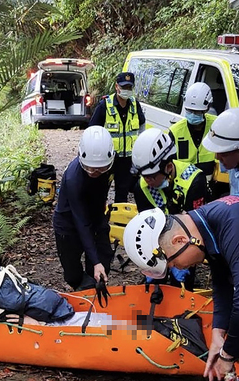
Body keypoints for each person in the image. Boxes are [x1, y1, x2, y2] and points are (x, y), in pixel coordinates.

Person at [123, 188, 239, 381]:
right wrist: (218, 332)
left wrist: (227, 356)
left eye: (173, 263)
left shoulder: (234, 227)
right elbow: (222, 277)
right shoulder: (205, 223)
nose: (178, 267)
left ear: (179, 240)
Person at [130, 128, 208, 289]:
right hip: (158, 241)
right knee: (154, 286)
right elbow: (147, 227)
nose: (147, 181)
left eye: (152, 176)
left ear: (169, 167)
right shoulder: (142, 187)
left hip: (185, 240)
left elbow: (197, 228)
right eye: (144, 176)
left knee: (181, 284)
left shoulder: (194, 181)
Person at [52, 126, 115, 291]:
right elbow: (81, 222)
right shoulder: (74, 178)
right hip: (69, 223)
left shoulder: (107, 167)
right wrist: (95, 262)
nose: (95, 172)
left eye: (101, 169)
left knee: (103, 261)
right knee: (73, 276)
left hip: (96, 216)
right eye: (90, 168)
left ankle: (95, 289)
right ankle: (84, 289)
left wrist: (98, 262)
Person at [89, 71, 146, 202]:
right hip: (107, 158)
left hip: (126, 160)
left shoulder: (134, 105)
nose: (126, 90)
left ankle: (119, 219)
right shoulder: (105, 105)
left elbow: (142, 125)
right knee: (101, 190)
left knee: (123, 192)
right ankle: (100, 218)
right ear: (116, 87)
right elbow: (93, 130)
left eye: (129, 88)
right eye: (124, 87)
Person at [168, 82, 217, 178]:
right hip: (184, 185)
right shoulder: (175, 131)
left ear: (207, 108)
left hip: (210, 183)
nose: (193, 114)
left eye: (197, 111)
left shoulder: (216, 125)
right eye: (190, 111)